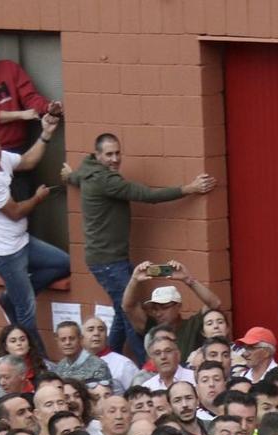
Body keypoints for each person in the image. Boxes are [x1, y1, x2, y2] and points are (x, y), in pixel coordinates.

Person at [62, 133, 215, 363]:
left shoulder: (87, 171)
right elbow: (147, 195)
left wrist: (68, 176)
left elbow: (76, 177)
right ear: (98, 155)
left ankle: (105, 358)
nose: (115, 159)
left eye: (117, 153)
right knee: (129, 311)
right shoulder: (106, 181)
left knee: (121, 309)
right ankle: (148, 363)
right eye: (109, 154)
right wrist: (189, 188)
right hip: (109, 261)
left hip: (103, 259)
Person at [0, 117, 69, 340]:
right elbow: (15, 212)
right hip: (5, 253)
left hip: (21, 241)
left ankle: (9, 298)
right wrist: (38, 197)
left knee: (63, 263)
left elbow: (26, 161)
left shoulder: (2, 158)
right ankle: (38, 361)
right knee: (26, 313)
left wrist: (46, 134)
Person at [0, 29, 62, 183]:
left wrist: (48, 107)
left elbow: (30, 97)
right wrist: (20, 114)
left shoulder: (10, 68)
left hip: (17, 149)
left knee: (23, 198)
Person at [121, 261, 221, 361]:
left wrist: (188, 279)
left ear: (178, 306)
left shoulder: (192, 326)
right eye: (155, 309)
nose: (159, 313)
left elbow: (214, 304)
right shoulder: (151, 326)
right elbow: (128, 307)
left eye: (164, 307)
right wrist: (134, 280)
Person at [82, 316, 138, 390]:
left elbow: (138, 395)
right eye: (91, 330)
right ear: (81, 338)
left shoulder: (124, 364)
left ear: (106, 336)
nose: (96, 333)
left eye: (101, 330)